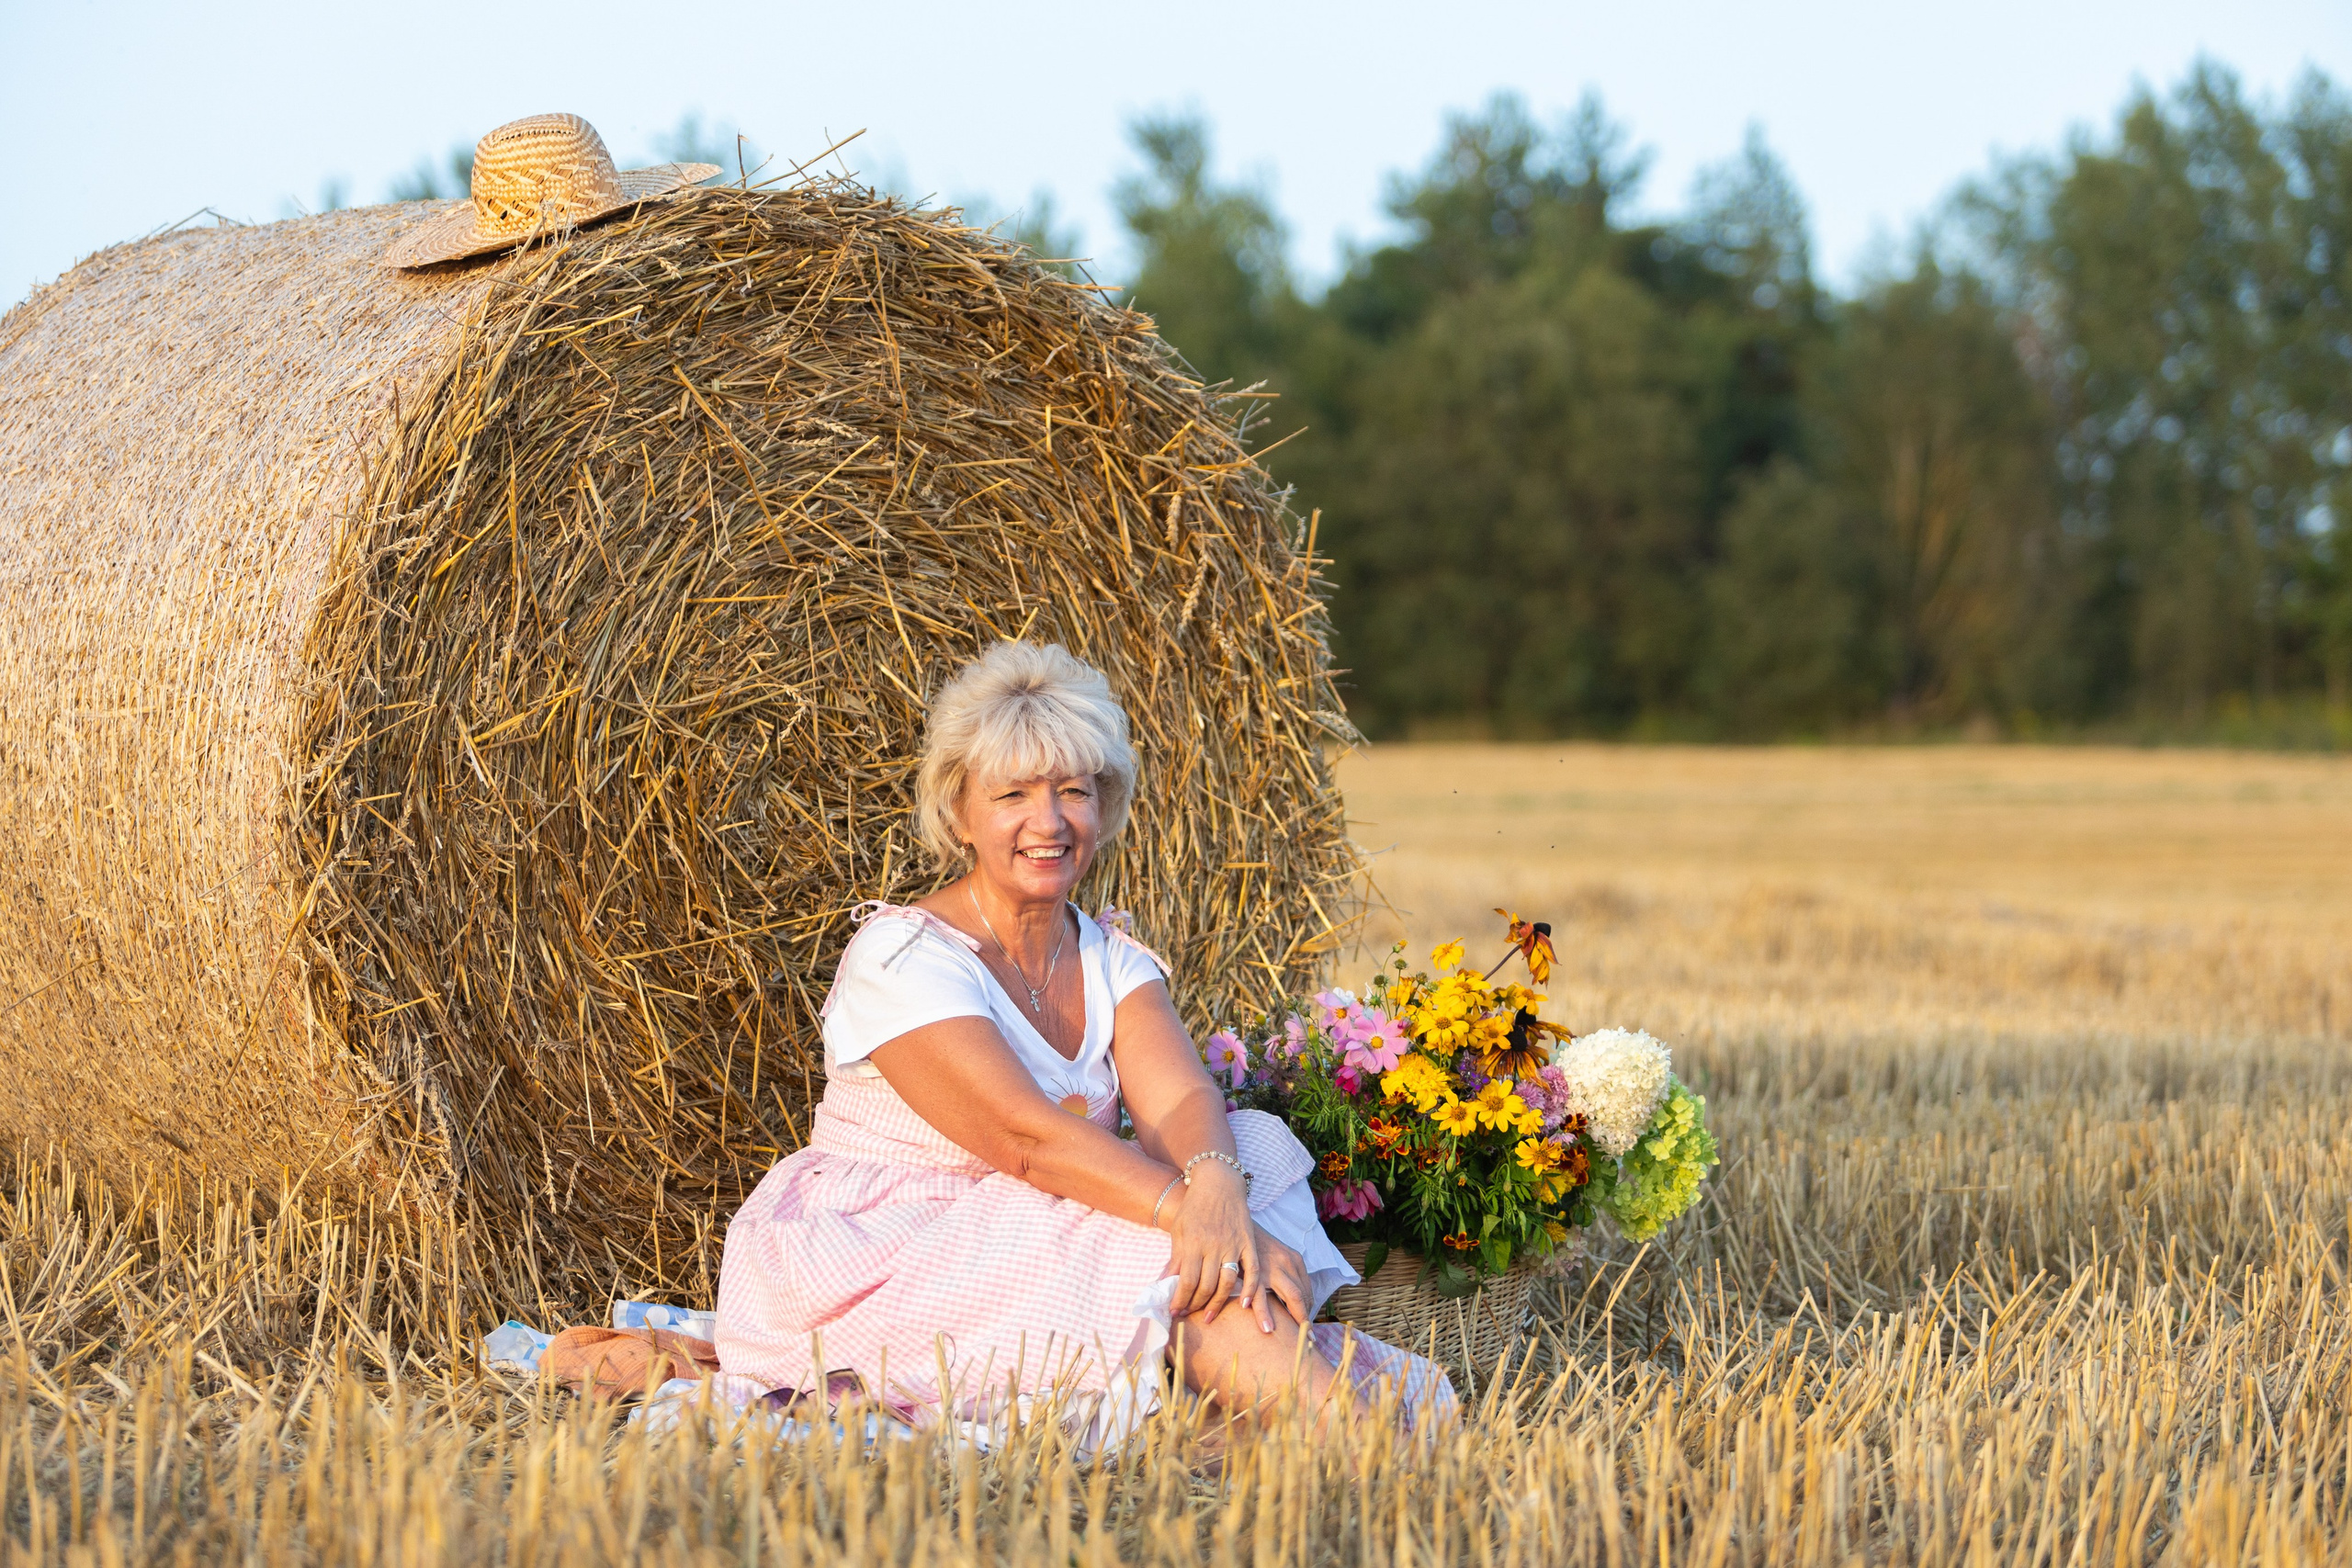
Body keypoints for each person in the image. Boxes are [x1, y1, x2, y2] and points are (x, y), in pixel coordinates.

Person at [714, 641, 1455, 1444]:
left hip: (1039, 1222)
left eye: (1074, 790)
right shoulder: (903, 957)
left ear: (1104, 805)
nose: (1050, 821)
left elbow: (1179, 1095)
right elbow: (1026, 1139)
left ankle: (1238, 1425)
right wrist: (1200, 1219)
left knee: (1248, 1147)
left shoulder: (1109, 956)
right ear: (959, 814)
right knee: (1150, 1235)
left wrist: (1217, 1193)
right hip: (887, 1250)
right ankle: (1350, 1437)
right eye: (1013, 794)